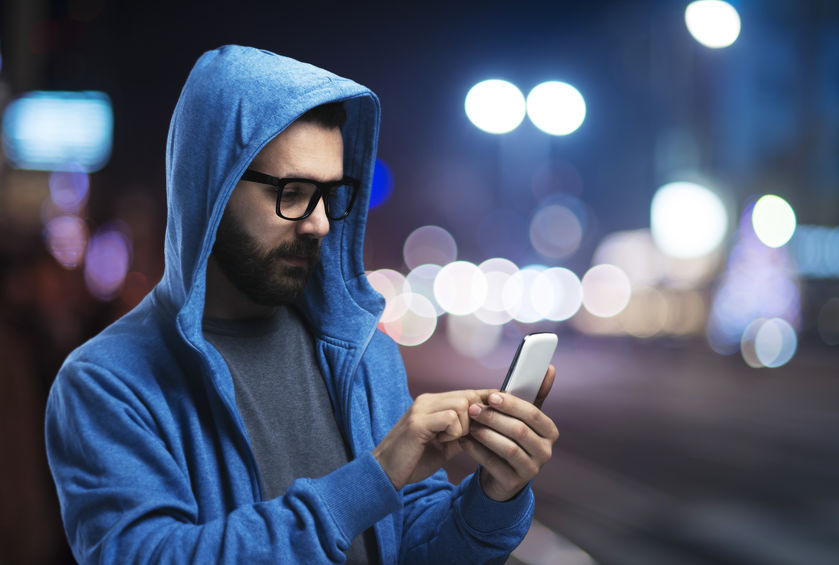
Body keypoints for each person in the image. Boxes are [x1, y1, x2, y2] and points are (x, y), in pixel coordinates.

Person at [45, 45, 559, 564]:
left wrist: (494, 494)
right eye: (292, 191)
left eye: (329, 195)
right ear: (214, 188)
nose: (316, 223)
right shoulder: (105, 381)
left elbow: (413, 546)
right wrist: (371, 479)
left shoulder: (365, 358)